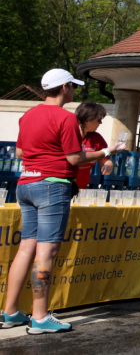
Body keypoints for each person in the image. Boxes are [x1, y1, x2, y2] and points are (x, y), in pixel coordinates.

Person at [1, 69, 125, 334]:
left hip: (26, 183)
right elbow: (74, 159)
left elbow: (20, 152)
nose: (74, 91)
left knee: (26, 248)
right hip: (53, 186)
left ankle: (9, 311)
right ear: (65, 87)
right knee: (46, 252)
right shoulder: (65, 118)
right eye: (73, 87)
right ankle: (40, 317)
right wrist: (107, 151)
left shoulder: (29, 115)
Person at [74, 102, 115, 189]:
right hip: (62, 185)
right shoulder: (68, 134)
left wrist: (108, 166)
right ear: (87, 120)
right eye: (99, 120)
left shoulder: (97, 138)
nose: (100, 123)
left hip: (81, 187)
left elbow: (105, 160)